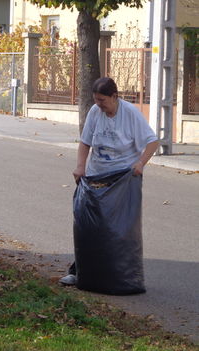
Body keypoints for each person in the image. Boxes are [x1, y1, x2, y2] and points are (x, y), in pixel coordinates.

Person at [59, 77, 159, 286]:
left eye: (102, 100)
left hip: (123, 182)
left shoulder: (130, 113)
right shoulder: (95, 112)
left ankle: (124, 276)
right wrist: (80, 167)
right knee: (89, 227)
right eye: (96, 100)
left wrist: (140, 163)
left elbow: (152, 142)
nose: (99, 105)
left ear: (115, 96)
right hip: (96, 179)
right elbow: (85, 143)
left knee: (119, 231)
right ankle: (80, 272)